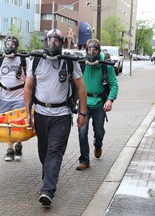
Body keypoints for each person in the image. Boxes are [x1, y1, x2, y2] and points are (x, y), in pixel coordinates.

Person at [24, 29, 87, 206]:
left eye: (57, 40)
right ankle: (47, 182)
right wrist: (28, 113)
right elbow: (28, 88)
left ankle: (47, 191)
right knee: (44, 152)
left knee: (54, 151)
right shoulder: (35, 60)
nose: (53, 43)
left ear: (62, 43)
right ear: (45, 41)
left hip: (62, 115)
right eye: (50, 39)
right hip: (41, 114)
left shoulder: (69, 62)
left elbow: (81, 89)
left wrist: (82, 113)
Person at [76, 39, 119, 171]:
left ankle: (98, 144)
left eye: (94, 49)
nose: (92, 52)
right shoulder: (82, 64)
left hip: (99, 104)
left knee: (99, 131)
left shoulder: (106, 66)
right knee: (82, 132)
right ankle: (84, 160)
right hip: (84, 103)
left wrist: (110, 100)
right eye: (89, 49)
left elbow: (114, 85)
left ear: (98, 50)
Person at [0, 36, 30, 162]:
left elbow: (31, 80)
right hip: (4, 98)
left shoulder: (24, 60)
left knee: (17, 124)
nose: (10, 46)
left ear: (17, 46)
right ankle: (10, 149)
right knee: (6, 125)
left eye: (13, 44)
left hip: (20, 97)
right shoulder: (0, 61)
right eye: (8, 43)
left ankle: (18, 146)